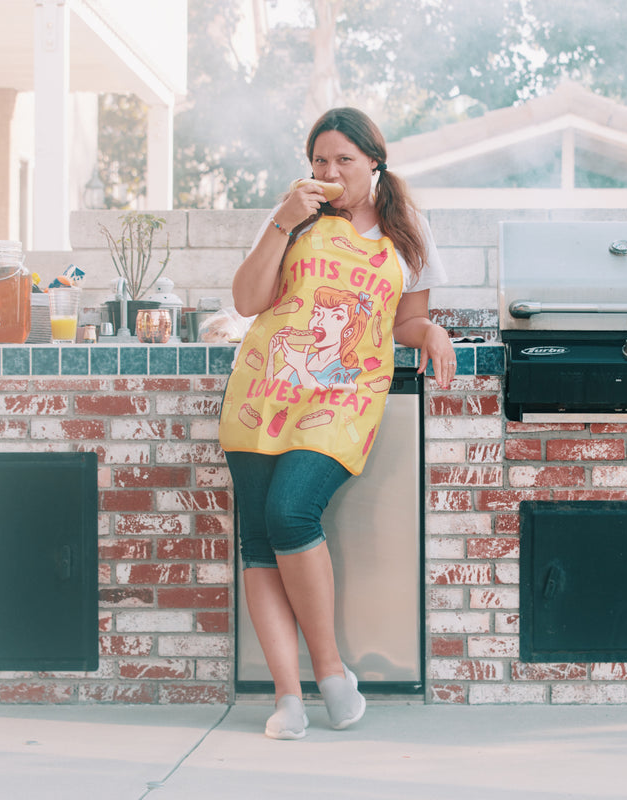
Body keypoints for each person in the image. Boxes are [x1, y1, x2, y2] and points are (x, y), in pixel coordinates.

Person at [219, 107, 456, 740]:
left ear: (375, 163)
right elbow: (247, 301)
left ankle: (330, 673)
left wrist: (429, 329)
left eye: (343, 161)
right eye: (319, 161)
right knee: (260, 541)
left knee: (291, 512)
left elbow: (403, 322)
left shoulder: (410, 232)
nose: (329, 173)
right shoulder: (293, 218)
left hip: (344, 397)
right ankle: (288, 698)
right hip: (264, 390)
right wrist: (280, 222)